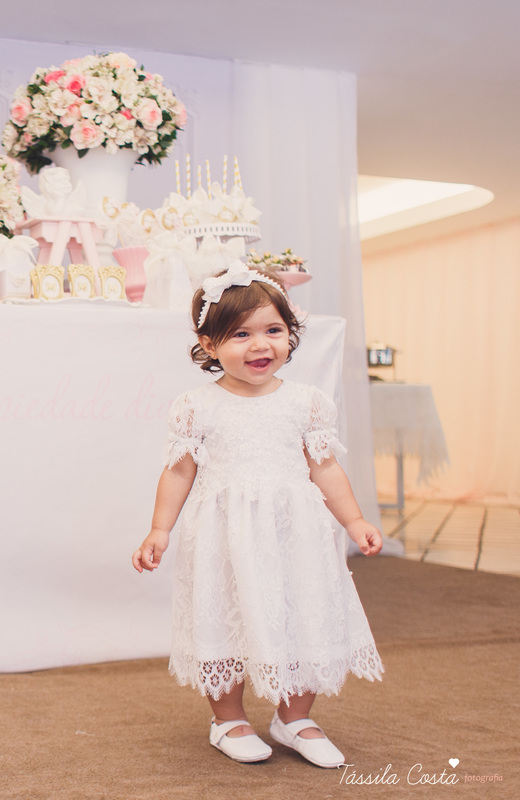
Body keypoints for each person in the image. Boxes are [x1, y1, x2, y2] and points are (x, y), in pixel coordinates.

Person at [132, 262, 384, 768]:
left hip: (296, 534)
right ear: (208, 344)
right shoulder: (197, 406)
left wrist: (354, 521)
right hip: (225, 538)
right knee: (224, 618)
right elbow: (179, 471)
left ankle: (295, 717)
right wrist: (160, 528)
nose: (259, 345)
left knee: (303, 614)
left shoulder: (306, 402)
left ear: (291, 333)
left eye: (273, 330)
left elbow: (325, 467)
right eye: (240, 335)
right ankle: (228, 719)